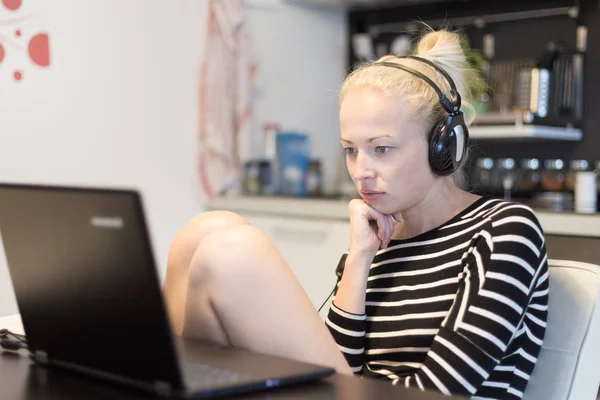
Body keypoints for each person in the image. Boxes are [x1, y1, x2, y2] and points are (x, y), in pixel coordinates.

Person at [163, 29, 549, 399]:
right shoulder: (378, 238)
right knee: (205, 231)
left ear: (443, 146)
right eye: (351, 150)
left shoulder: (504, 230)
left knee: (229, 252)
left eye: (381, 148)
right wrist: (360, 258)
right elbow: (343, 363)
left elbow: (438, 392)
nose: (361, 170)